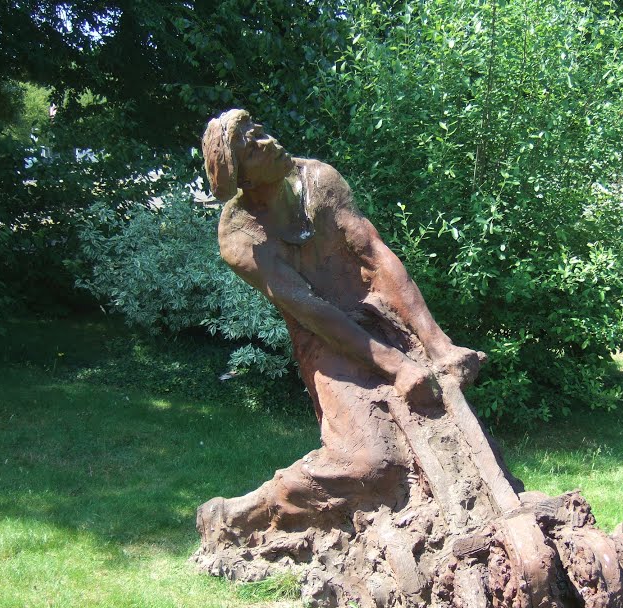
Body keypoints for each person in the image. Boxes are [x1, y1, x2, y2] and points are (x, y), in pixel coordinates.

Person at [196, 109, 484, 544]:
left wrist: (438, 344)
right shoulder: (240, 237)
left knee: (447, 415)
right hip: (327, 342)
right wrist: (397, 366)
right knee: (369, 462)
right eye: (252, 147)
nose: (269, 143)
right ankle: (243, 513)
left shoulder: (320, 180)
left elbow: (374, 254)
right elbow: (310, 310)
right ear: (242, 177)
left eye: (261, 132)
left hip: (383, 316)